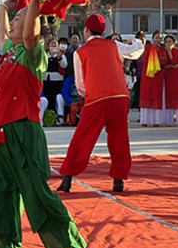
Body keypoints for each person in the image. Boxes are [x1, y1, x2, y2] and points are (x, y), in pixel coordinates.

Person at [0, 0, 89, 248]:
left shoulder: (33, 52)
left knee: (37, 194)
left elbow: (29, 34)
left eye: (19, 18)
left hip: (23, 133)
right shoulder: (7, 53)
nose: (14, 21)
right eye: (15, 18)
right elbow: (3, 32)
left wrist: (36, 2)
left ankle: (74, 245)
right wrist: (4, 6)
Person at [55, 13, 144, 193]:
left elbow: (80, 84)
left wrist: (88, 94)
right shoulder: (113, 45)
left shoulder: (80, 52)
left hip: (97, 99)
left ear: (86, 30)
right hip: (120, 97)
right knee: (119, 138)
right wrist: (136, 42)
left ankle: (67, 178)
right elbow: (135, 52)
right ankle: (118, 179)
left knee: (82, 137)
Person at [139, 30, 167, 126]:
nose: (158, 40)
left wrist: (158, 57)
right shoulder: (146, 48)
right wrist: (158, 58)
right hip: (147, 75)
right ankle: (145, 120)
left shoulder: (162, 50)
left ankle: (157, 120)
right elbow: (145, 59)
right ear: (153, 38)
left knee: (156, 95)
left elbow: (164, 62)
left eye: (160, 38)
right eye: (156, 38)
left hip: (158, 76)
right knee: (146, 95)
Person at [162, 34, 178, 126]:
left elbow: (175, 62)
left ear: (174, 43)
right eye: (166, 42)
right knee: (168, 95)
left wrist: (169, 53)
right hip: (167, 76)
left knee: (177, 95)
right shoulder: (162, 52)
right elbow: (163, 65)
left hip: (176, 76)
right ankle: (169, 121)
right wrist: (171, 66)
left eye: (170, 42)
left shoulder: (177, 51)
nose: (168, 44)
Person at [42, 38, 67, 119]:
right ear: (48, 46)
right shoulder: (45, 55)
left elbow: (64, 65)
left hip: (57, 81)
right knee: (47, 98)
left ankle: (59, 116)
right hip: (46, 81)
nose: (53, 45)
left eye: (55, 44)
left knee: (57, 97)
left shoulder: (61, 55)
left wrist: (59, 57)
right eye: (51, 43)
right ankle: (47, 116)